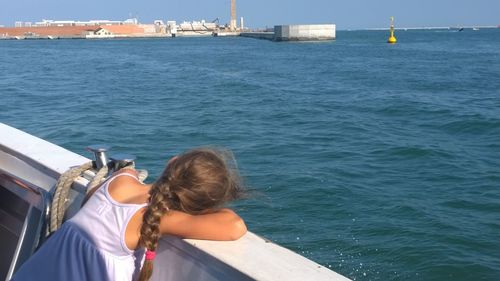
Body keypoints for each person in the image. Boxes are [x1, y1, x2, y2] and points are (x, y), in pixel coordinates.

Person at [11, 147, 247, 281]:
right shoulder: (158, 217)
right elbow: (235, 226)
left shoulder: (120, 180)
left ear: (171, 162)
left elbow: (129, 176)